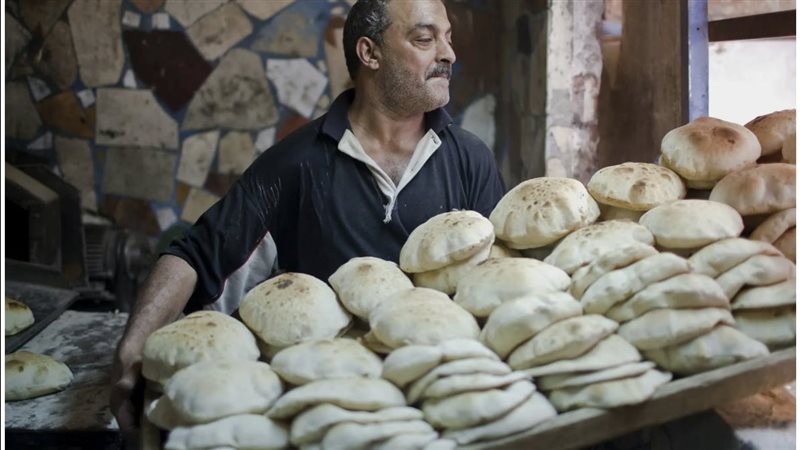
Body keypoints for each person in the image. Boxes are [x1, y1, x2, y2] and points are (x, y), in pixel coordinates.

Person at [109, 0, 506, 435]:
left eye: (448, 38)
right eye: (426, 39)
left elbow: (499, 281)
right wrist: (132, 347)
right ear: (369, 54)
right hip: (329, 414)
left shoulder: (470, 160)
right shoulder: (295, 165)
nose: (448, 54)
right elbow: (194, 255)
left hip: (443, 407)